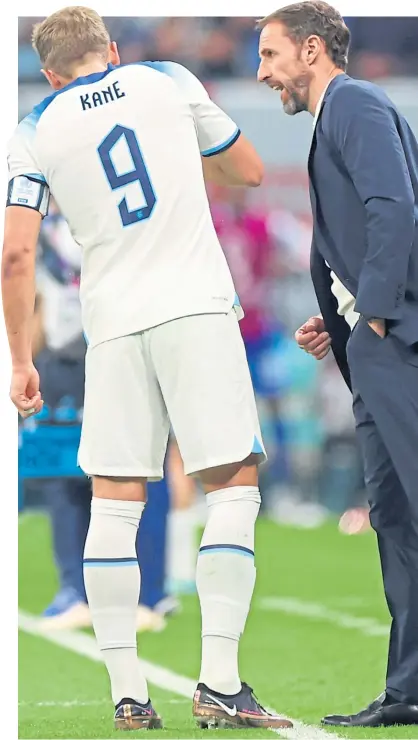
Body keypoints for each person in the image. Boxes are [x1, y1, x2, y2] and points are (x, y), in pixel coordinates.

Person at [3, 7, 291, 732]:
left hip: (110, 326)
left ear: (49, 71)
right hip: (194, 306)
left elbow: (14, 253)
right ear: (108, 49)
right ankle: (220, 683)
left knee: (114, 499)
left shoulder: (33, 129)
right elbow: (249, 169)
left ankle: (129, 693)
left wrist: (20, 357)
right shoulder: (164, 79)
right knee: (230, 483)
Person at [257, 0, 418, 729]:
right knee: (394, 515)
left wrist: (377, 310)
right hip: (374, 339)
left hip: (399, 342)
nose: (263, 73)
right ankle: (410, 688)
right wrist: (346, 309)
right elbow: (368, 222)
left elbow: (395, 206)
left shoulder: (354, 101)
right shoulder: (340, 112)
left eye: (271, 56)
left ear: (312, 50)